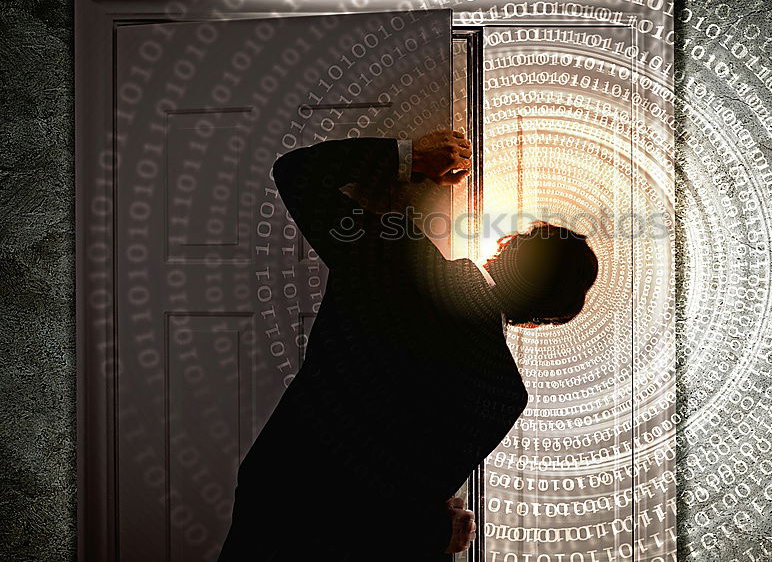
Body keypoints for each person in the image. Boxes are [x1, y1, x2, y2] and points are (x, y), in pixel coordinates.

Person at [217, 129, 599, 560]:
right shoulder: (503, 394)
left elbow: (296, 172)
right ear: (541, 318)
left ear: (504, 248)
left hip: (276, 507)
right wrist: (439, 531)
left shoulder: (395, 255)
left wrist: (412, 157)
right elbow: (399, 503)